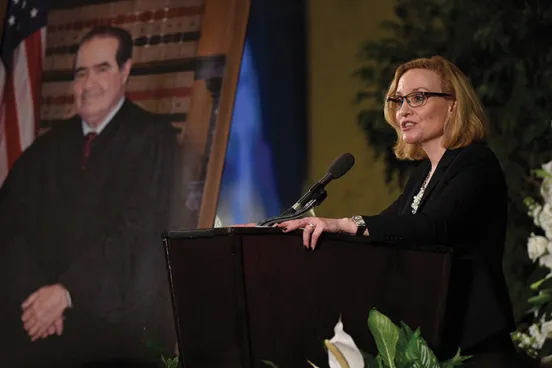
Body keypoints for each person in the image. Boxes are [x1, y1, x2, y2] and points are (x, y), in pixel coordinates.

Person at [275, 56, 519, 367]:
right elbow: (389, 228)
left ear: (453, 105)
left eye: (418, 97)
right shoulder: (421, 176)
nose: (403, 110)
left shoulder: (476, 162)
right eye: (398, 100)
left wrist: (349, 224)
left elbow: (433, 227)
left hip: (476, 347)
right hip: (433, 343)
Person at [0, 26, 179, 366]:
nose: (88, 84)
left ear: (125, 71)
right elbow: (10, 228)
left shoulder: (153, 140)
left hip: (109, 325)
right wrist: (37, 300)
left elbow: (139, 234)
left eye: (102, 69)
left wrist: (67, 293)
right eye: (81, 73)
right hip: (37, 322)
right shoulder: (47, 149)